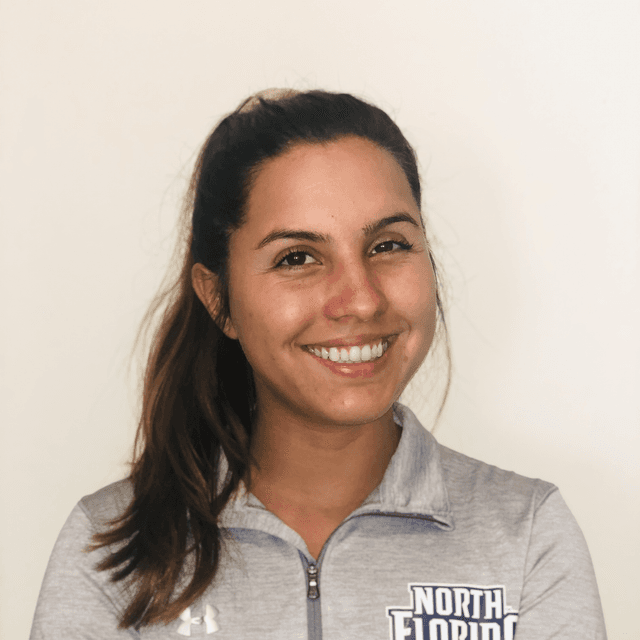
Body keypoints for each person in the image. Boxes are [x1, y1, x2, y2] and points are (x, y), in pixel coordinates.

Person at [30, 88, 607, 639]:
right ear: (218, 299)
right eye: (298, 257)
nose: (361, 299)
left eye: (388, 246)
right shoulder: (108, 549)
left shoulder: (527, 535)